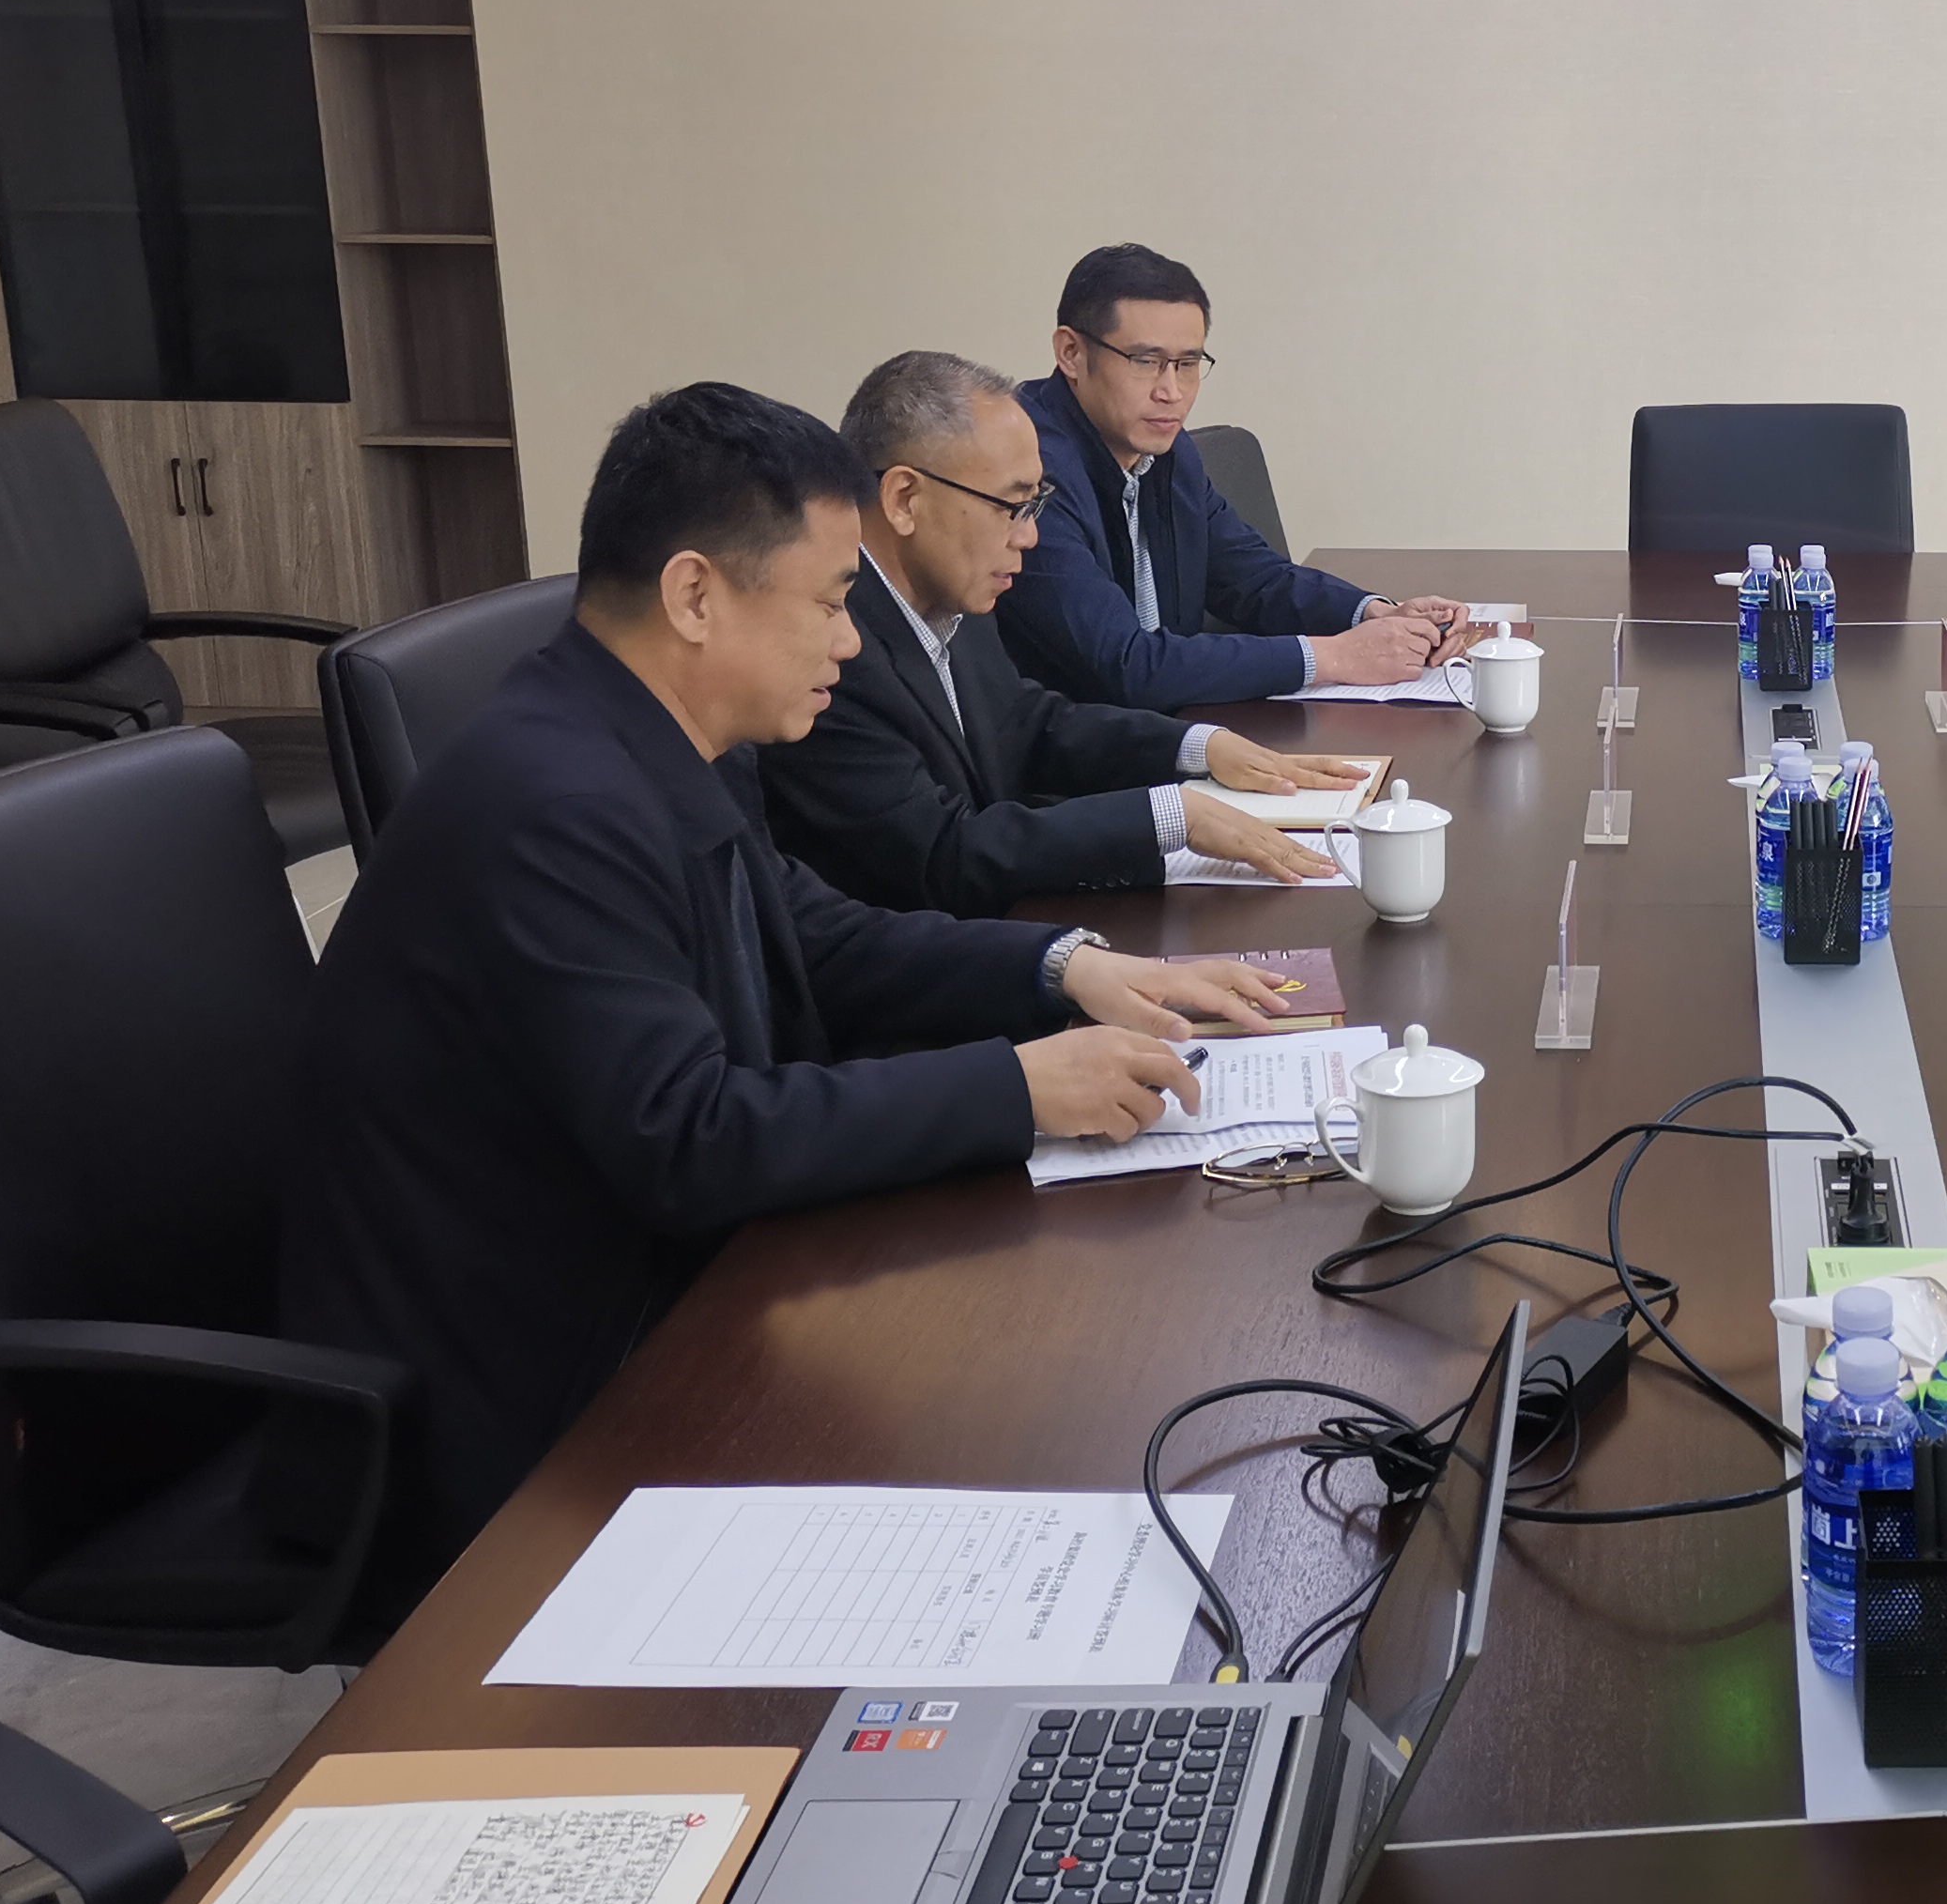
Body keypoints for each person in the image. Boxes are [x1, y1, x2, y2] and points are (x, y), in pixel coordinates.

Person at [280, 382, 1295, 1606]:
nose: (850, 641)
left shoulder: (649, 732)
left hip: (642, 1286)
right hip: (520, 1395)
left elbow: (804, 931)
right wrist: (1020, 1088)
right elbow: (692, 1138)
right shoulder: (551, 806)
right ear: (695, 595)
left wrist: (1064, 968)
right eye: (825, 602)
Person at [763, 350, 1381, 914]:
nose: (1029, 536)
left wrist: (1199, 746)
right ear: (904, 498)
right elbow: (942, 856)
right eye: (1012, 507)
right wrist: (1166, 816)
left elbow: (1027, 723)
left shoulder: (951, 591)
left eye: (1036, 506)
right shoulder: (828, 652)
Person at [1006, 241, 1472, 712]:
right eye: (1145, 362)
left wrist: (1374, 614)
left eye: (1188, 364)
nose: (1172, 392)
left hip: (1175, 725)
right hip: (1077, 747)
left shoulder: (1169, 452)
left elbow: (1254, 578)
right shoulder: (1026, 472)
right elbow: (1124, 666)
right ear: (1071, 353)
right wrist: (1334, 656)